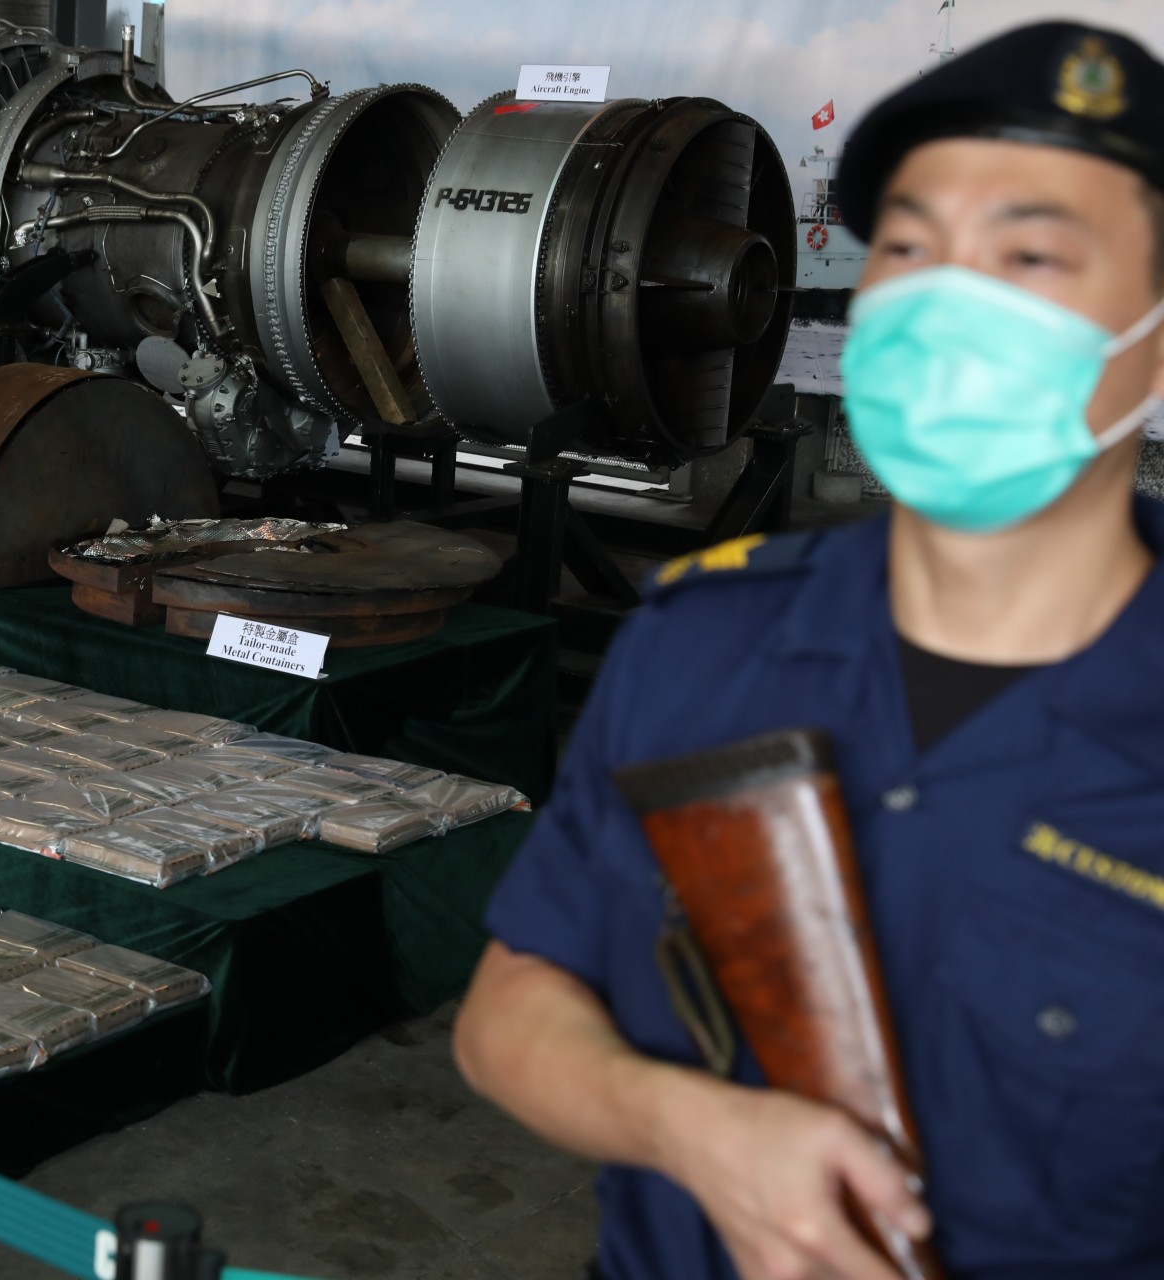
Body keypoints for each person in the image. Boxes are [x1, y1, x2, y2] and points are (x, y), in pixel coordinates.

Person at [453, 20, 1164, 1280]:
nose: (947, 297)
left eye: (1030, 252)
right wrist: (691, 1125)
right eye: (909, 246)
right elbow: (512, 1013)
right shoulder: (701, 639)